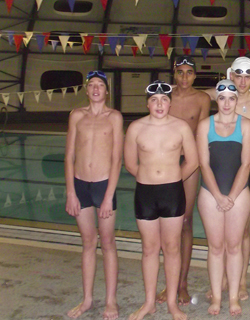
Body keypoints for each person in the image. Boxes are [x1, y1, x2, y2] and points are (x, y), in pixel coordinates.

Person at [124, 80, 198, 320]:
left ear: (170, 103)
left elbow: (193, 161)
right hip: (145, 193)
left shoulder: (181, 128)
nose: (159, 104)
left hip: (172, 193)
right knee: (149, 249)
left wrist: (174, 179)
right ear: (147, 103)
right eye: (154, 100)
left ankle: (171, 304)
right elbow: (129, 163)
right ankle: (148, 303)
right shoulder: (135, 127)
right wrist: (148, 178)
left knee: (172, 248)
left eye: (164, 99)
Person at [204, 57, 250, 300]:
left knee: (242, 230)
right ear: (231, 75)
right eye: (237, 76)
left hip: (245, 170)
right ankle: (219, 279)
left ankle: (240, 280)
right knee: (218, 233)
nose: (242, 81)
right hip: (220, 170)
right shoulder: (220, 94)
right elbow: (192, 94)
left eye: (247, 76)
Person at [65, 70, 123, 320]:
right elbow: (69, 156)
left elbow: (116, 159)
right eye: (92, 85)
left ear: (107, 91)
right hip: (80, 186)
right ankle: (87, 299)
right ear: (86, 90)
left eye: (101, 84)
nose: (96, 88)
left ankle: (111, 301)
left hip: (103, 186)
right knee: (88, 243)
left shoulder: (115, 117)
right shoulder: (76, 115)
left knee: (108, 244)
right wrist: (70, 192)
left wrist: (109, 195)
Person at [156, 55, 211, 306]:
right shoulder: (164, 97)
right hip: (164, 163)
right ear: (174, 74)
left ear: (195, 75)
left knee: (186, 221)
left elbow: (201, 135)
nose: (185, 77)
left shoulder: (202, 99)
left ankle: (182, 284)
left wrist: (192, 166)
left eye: (189, 72)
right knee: (166, 225)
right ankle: (169, 282)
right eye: (180, 72)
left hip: (188, 163)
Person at [197, 80, 250, 315]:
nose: (227, 103)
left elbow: (246, 163)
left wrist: (230, 196)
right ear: (216, 100)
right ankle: (216, 298)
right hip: (210, 192)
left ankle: (233, 298)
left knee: (234, 246)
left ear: (237, 100)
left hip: (238, 193)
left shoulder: (246, 125)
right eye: (222, 98)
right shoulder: (204, 125)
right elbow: (203, 164)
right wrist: (218, 196)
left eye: (232, 98)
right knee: (215, 247)